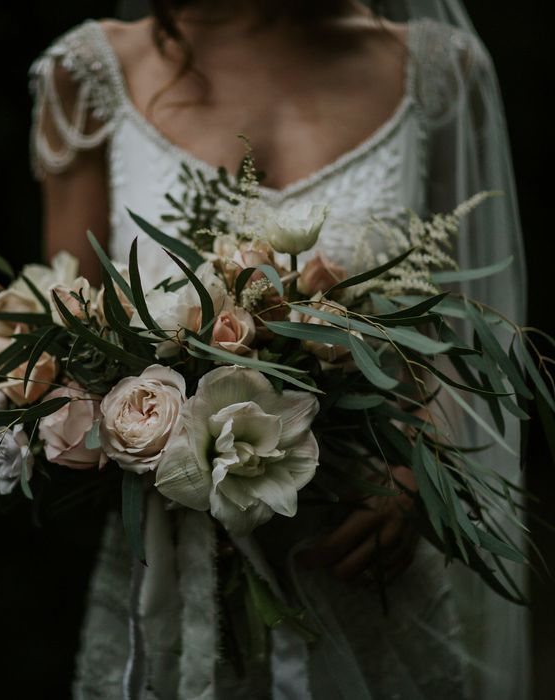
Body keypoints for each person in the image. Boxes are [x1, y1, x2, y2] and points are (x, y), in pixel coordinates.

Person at [27, 0, 530, 697]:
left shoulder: (437, 70)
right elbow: (62, 333)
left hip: (364, 549)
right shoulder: (90, 73)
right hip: (176, 564)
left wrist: (421, 468)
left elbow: (460, 320)